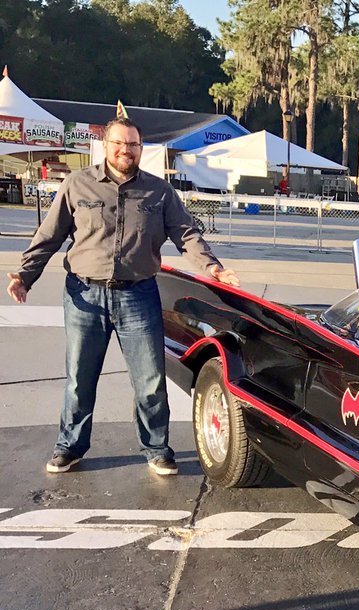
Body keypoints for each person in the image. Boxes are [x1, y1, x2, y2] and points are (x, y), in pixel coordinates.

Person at [5, 117, 240, 476]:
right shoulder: (77, 184)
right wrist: (25, 276)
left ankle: (157, 449)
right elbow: (49, 236)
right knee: (80, 378)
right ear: (105, 146)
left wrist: (214, 268)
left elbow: (186, 234)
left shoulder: (160, 192)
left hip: (138, 296)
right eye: (118, 143)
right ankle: (70, 447)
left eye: (132, 145)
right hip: (85, 296)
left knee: (150, 380)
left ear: (140, 149)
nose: (125, 150)